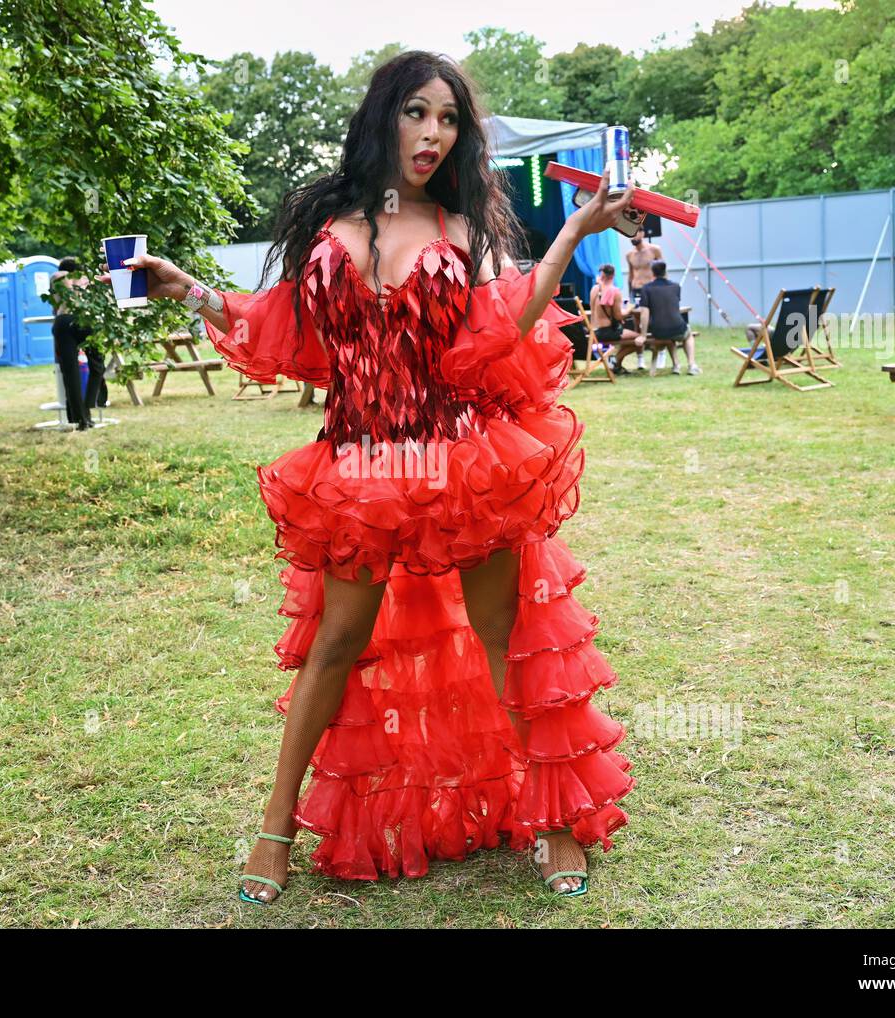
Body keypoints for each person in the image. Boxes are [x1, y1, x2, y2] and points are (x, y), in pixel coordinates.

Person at [113, 51, 637, 903]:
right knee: (335, 644)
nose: (432, 134)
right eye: (416, 113)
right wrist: (191, 291)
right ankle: (276, 829)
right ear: (383, 116)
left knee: (503, 636)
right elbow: (287, 332)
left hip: (459, 459)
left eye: (449, 120)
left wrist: (575, 233)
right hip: (358, 461)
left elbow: (499, 330)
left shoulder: (462, 228)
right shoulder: (331, 223)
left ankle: (548, 822)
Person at [49, 257, 102, 430]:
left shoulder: (56, 277)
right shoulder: (86, 277)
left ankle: (80, 419)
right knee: (97, 366)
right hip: (87, 320)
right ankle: (88, 406)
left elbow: (55, 305)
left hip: (64, 321)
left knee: (70, 372)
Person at [637, 259, 700, 375]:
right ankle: (691, 365)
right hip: (677, 326)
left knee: (668, 335)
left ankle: (676, 365)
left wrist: (643, 335)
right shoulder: (676, 287)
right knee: (688, 335)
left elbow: (644, 313)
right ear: (665, 271)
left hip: (658, 330)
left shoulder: (646, 289)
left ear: (652, 273)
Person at [588, 263, 642, 374]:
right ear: (613, 276)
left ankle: (616, 365)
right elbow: (619, 316)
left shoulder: (594, 289)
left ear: (601, 275)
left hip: (593, 330)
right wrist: (629, 309)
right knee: (639, 339)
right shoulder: (614, 291)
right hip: (606, 332)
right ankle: (614, 363)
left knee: (627, 337)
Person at [625, 233, 664, 370]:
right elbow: (630, 275)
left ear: (642, 233)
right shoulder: (629, 254)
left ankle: (661, 352)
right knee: (637, 323)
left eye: (635, 234)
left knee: (655, 320)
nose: (632, 238)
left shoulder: (654, 250)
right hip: (636, 289)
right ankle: (640, 358)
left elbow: (663, 270)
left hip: (651, 289)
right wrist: (630, 295)